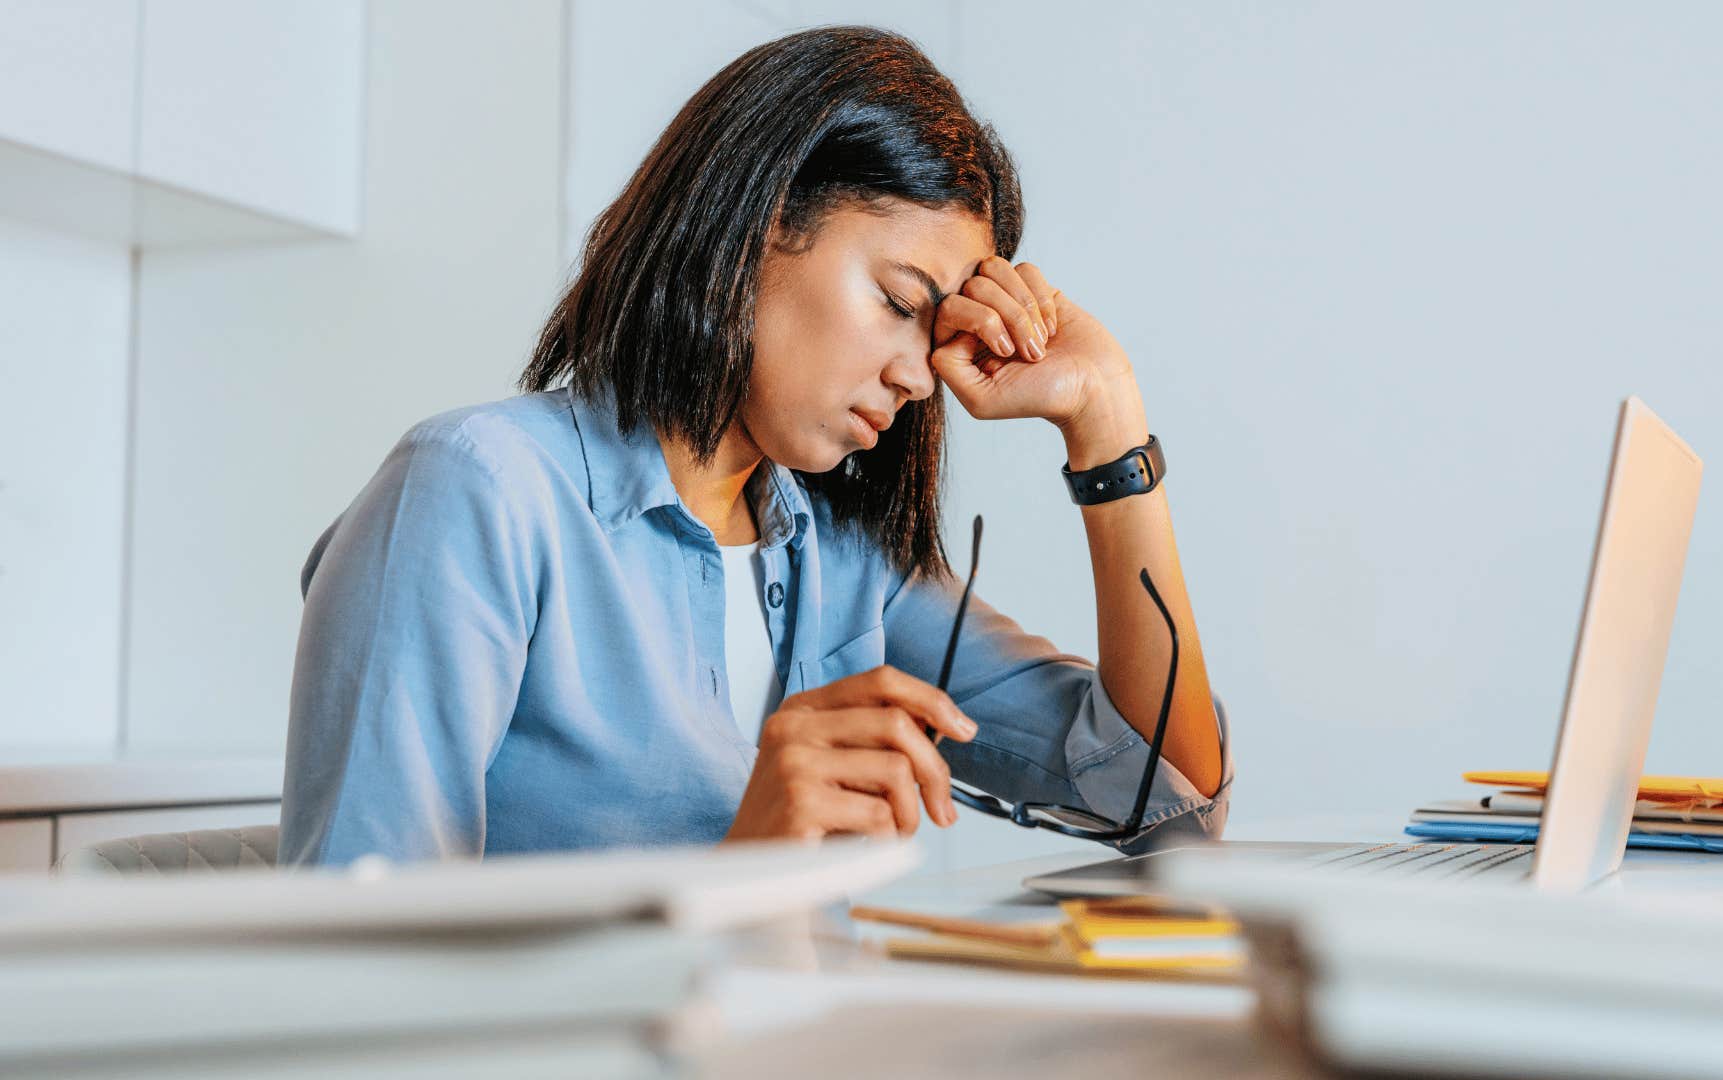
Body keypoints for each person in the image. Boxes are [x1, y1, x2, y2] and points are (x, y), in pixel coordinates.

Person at [278, 26, 1230, 867]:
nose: (919, 374)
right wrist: (746, 868)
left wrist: (1105, 420)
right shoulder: (478, 495)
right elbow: (359, 984)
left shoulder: (848, 563)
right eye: (900, 304)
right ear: (756, 227)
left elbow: (1168, 801)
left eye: (936, 334)